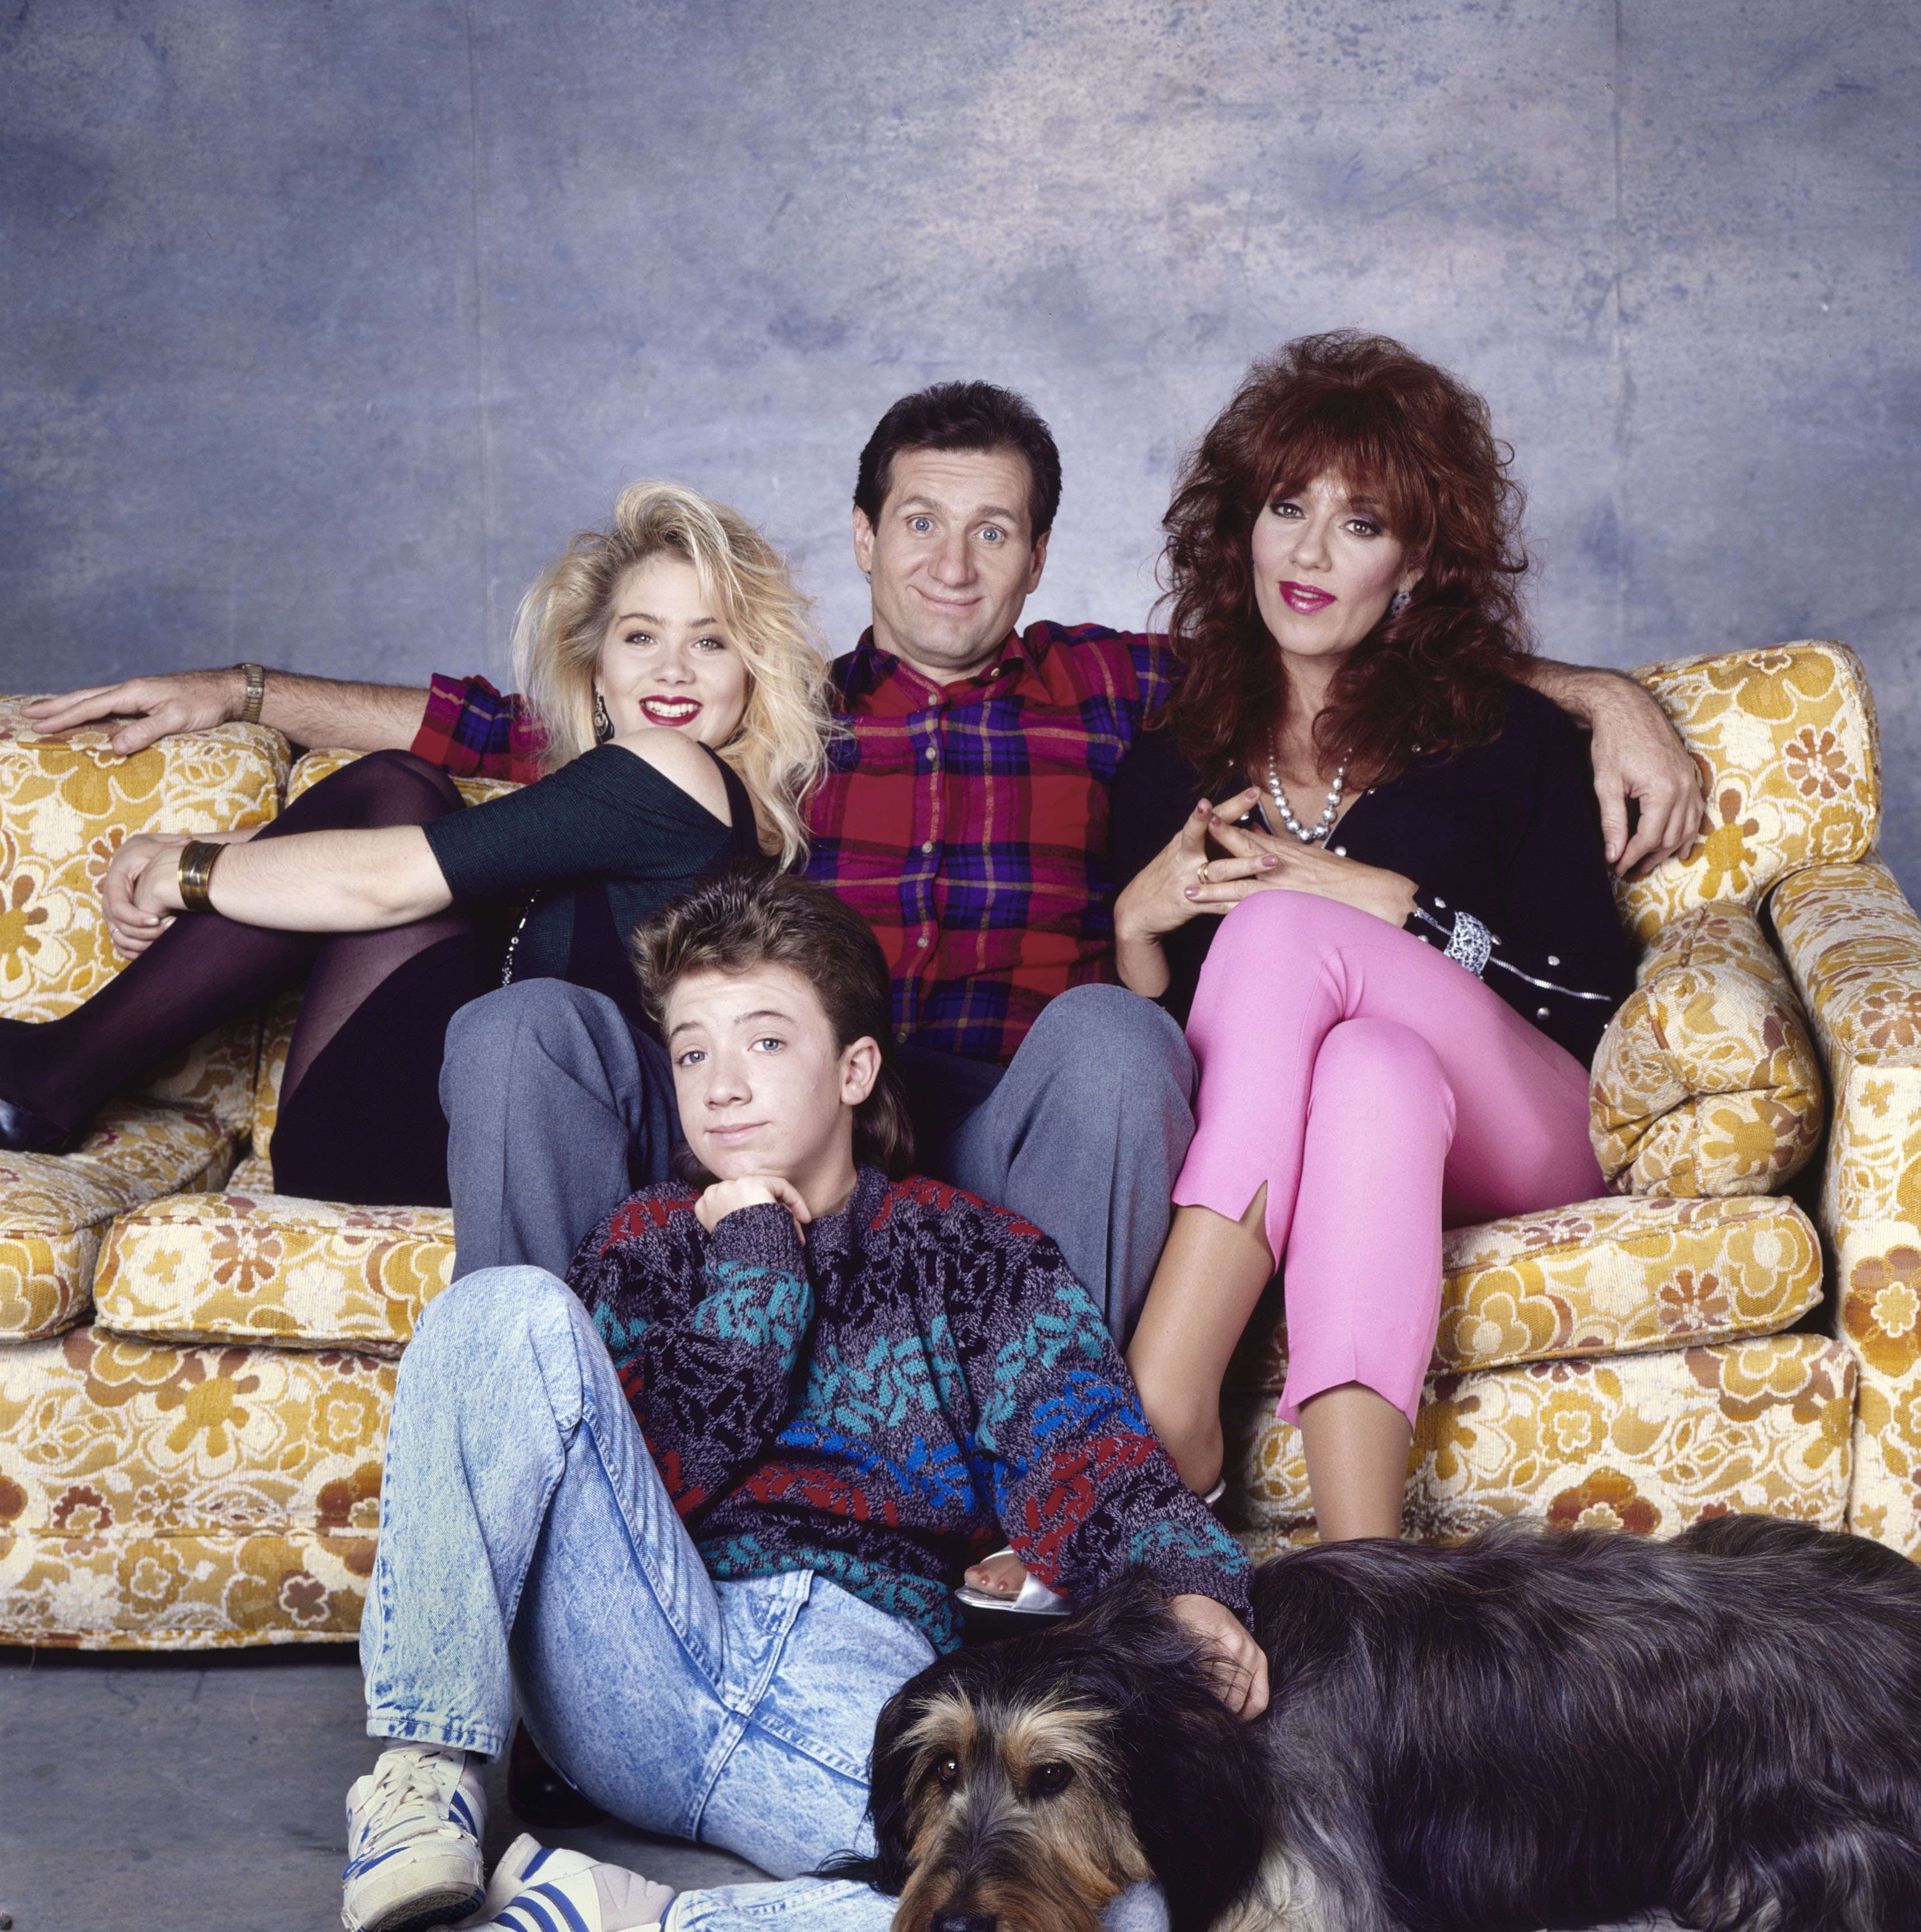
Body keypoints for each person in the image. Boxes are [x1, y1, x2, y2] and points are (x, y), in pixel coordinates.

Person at [26, 380, 1703, 1346]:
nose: (952, 561)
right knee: (518, 1008)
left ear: (1038, 550)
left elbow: (1340, 636)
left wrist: (1604, 694)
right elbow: (494, 726)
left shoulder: (1130, 682)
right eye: (918, 521)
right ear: (861, 537)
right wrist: (242, 692)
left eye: (992, 529)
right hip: (830, 1101)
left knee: (1120, 1039)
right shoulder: (776, 710)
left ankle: (1064, 1452)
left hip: (1022, 1103)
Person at [344, 868, 1255, 1932]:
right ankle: (421, 1777)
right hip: (637, 1653)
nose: (721, 1081)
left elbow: (1083, 1450)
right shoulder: (638, 1245)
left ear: (854, 1071)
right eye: (691, 1050)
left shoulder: (970, 1253)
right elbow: (630, 1478)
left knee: (1115, 1930)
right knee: (498, 1309)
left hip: (856, 1691)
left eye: (765, 1041)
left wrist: (1188, 1586)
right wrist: (756, 1270)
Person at [1109, 330, 1634, 1545]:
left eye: (1359, 524)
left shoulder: (1507, 738)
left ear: (1412, 563)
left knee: (1295, 934)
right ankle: (1366, 1573)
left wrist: (1385, 902)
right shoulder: (1168, 768)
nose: (1306, 552)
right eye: (1286, 507)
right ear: (1236, 525)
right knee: (1363, 1068)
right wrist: (1136, 935)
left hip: (1533, 1119)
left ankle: (1159, 1400)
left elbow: (1588, 1008)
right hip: (1363, 1132)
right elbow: (1189, 1074)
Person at [0, 484, 829, 1205]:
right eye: (642, 637)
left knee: (395, 791)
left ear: (751, 672)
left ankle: (53, 1068)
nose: (674, 669)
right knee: (397, 796)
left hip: (464, 1149)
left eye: (711, 640)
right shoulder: (685, 807)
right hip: (475, 1133)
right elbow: (455, 837)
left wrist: (185, 870)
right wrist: (220, 838)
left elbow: (390, 879)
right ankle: (51, 1069)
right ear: (597, 676)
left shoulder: (675, 773)